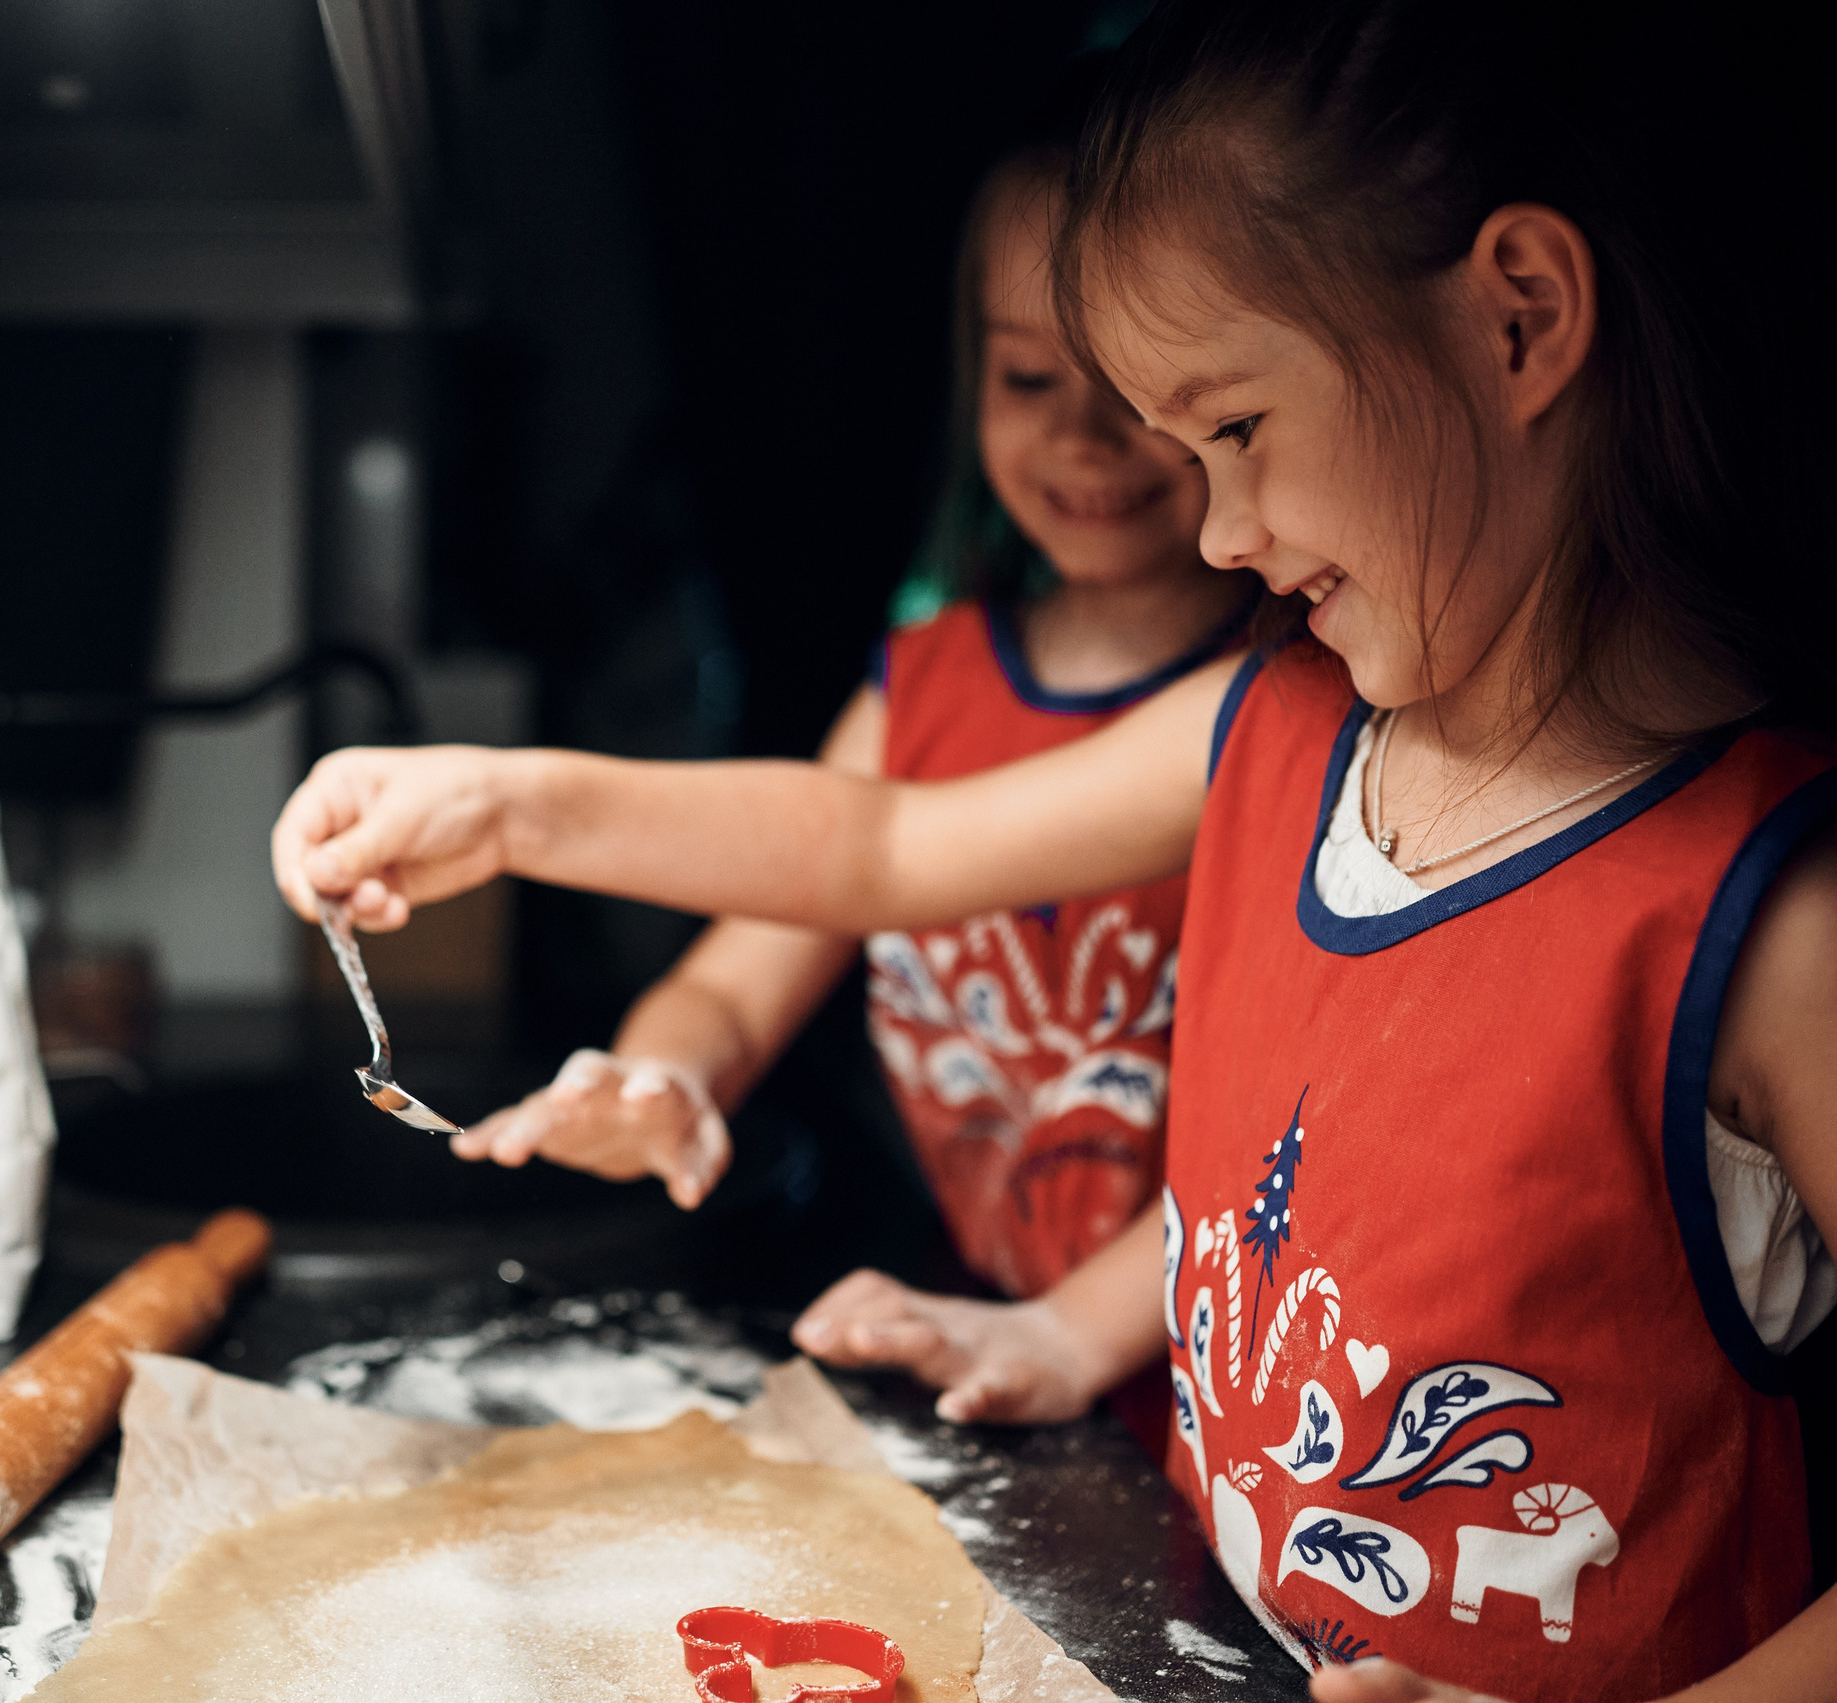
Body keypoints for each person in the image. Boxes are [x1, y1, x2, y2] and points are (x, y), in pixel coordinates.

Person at [269, 1, 1836, 1694]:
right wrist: (511, 803)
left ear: (1519, 319)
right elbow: (880, 844)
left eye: (1234, 431)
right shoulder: (1275, 728)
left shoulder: (1778, 916)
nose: (1226, 531)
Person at [448, 63, 1249, 1435]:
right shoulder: (922, 689)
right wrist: (665, 1074)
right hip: (993, 1350)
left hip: (1211, 1389)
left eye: (1134, 383)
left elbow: (1290, 1157)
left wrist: (1067, 1330)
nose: (1080, 433)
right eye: (1026, 375)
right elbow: (741, 982)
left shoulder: (1290, 701)